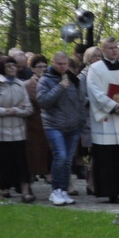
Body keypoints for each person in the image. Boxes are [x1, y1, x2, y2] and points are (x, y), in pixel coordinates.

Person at [86, 37, 119, 204]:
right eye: (110, 48)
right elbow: (94, 92)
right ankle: (111, 192)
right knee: (108, 159)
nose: (114, 50)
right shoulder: (95, 69)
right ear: (103, 50)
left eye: (115, 47)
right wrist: (113, 106)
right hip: (107, 119)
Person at [0, 57, 35, 202]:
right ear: (2, 68)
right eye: (8, 65)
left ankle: (25, 192)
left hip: (18, 133)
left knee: (20, 163)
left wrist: (15, 111)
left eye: (13, 65)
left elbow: (28, 109)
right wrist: (4, 111)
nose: (12, 68)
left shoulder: (20, 85)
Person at [37, 52, 86, 206]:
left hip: (73, 126)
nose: (63, 67)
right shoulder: (45, 80)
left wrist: (81, 120)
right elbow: (43, 102)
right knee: (61, 156)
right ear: (53, 62)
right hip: (54, 125)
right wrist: (59, 88)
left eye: (65, 64)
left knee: (68, 160)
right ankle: (55, 190)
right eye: (59, 64)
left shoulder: (73, 79)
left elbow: (80, 101)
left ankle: (63, 190)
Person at [23, 55, 52, 188]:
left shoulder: (51, 82)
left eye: (45, 66)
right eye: (39, 66)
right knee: (33, 154)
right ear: (33, 69)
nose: (43, 69)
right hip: (33, 124)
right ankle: (27, 186)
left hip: (49, 123)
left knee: (49, 154)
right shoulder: (28, 84)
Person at [78, 46, 102, 195]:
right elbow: (80, 98)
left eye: (100, 56)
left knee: (99, 152)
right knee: (95, 152)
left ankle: (96, 181)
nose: (98, 59)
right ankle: (91, 182)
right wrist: (97, 100)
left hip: (101, 117)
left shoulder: (101, 74)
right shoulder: (83, 76)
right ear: (88, 59)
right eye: (95, 57)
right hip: (89, 118)